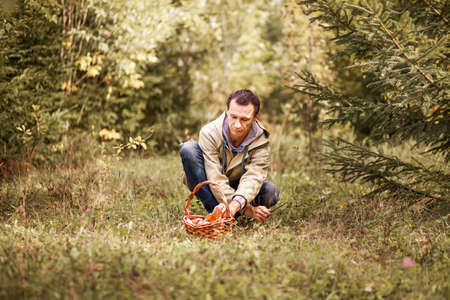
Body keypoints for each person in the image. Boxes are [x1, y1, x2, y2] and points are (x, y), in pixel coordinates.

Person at [180, 89, 280, 222]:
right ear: (227, 111)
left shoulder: (261, 140)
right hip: (210, 183)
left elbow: (254, 176)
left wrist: (236, 204)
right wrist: (247, 209)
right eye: (233, 117)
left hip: (238, 185)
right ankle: (216, 213)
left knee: (271, 192)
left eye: (245, 119)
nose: (237, 125)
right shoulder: (209, 132)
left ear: (255, 117)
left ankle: (229, 213)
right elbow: (214, 176)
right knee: (188, 149)